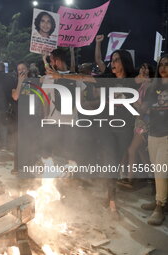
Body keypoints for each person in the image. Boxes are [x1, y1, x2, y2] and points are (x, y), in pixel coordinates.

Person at [47, 49, 137, 219]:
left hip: (125, 129)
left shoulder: (134, 80)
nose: (113, 63)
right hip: (107, 128)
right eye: (112, 60)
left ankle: (109, 195)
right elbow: (83, 77)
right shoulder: (108, 79)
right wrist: (62, 77)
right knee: (110, 162)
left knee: (115, 165)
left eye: (117, 60)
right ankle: (112, 205)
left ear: (125, 62)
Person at [140, 55, 168, 226]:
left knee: (161, 170)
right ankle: (160, 199)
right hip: (153, 133)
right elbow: (146, 109)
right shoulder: (153, 88)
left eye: (167, 64)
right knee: (156, 168)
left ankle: (160, 207)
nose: (163, 67)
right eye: (162, 65)